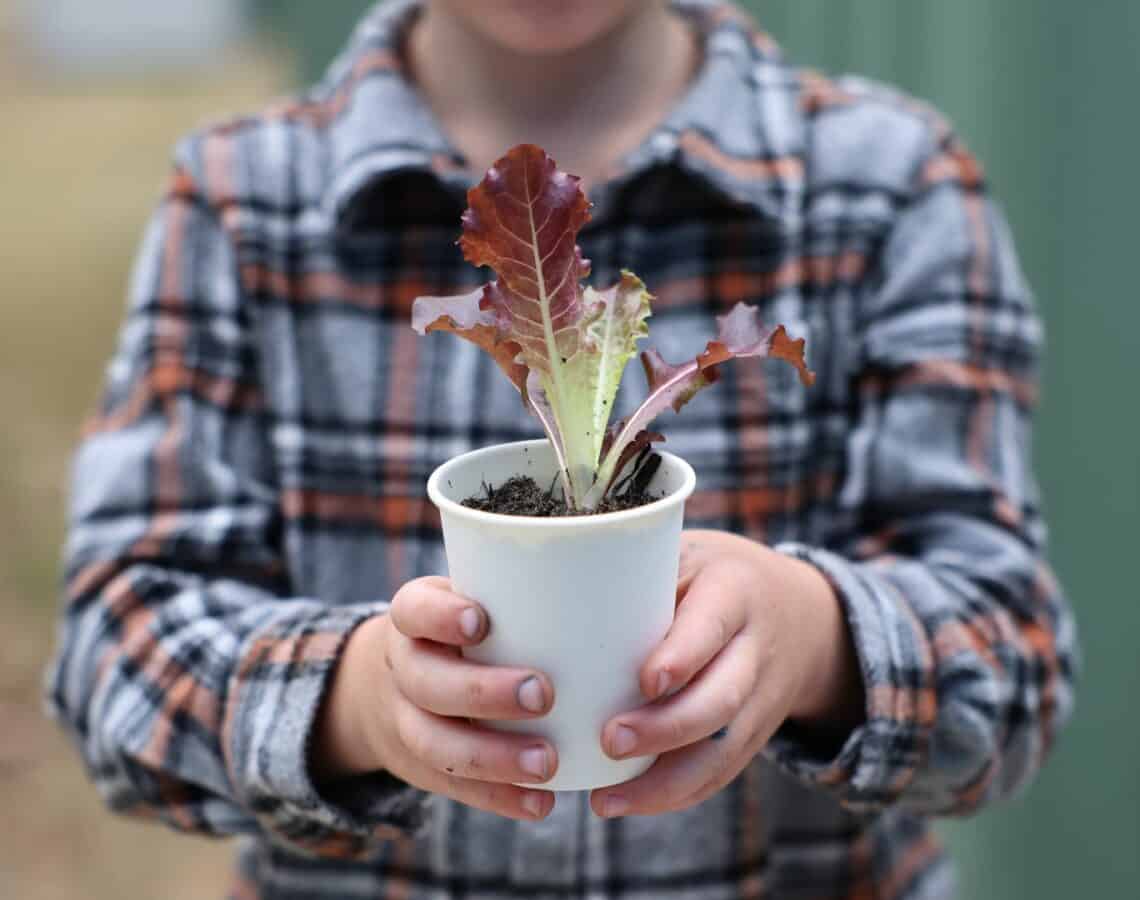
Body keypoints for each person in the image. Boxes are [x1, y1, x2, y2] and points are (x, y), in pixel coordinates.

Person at [46, 0, 1078, 897]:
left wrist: (816, 641)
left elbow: (1014, 655)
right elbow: (116, 656)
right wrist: (357, 702)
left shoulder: (891, 180)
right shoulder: (240, 199)